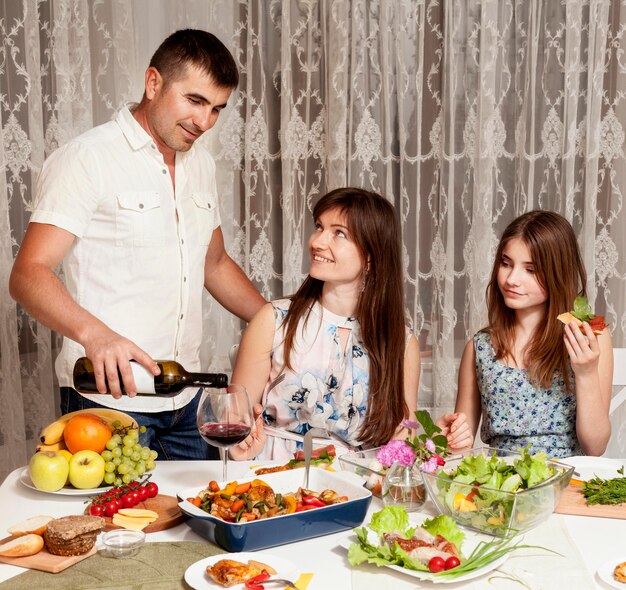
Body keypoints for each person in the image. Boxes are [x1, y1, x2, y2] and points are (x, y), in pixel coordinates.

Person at [9, 30, 266, 460]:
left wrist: (278, 325)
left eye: (217, 109)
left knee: (195, 524)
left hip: (187, 406)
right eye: (195, 101)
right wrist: (96, 335)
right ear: (153, 83)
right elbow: (28, 273)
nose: (204, 123)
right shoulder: (87, 158)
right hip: (107, 404)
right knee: (115, 529)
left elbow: (215, 263)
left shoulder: (200, 163)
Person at [229, 187, 472, 461]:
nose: (318, 242)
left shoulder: (401, 342)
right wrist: (245, 444)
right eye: (319, 227)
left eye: (339, 233)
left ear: (370, 257)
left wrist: (434, 438)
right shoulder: (273, 320)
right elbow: (237, 430)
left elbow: (401, 438)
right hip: (275, 479)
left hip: (356, 483)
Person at [455, 210, 613, 457]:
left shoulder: (590, 338)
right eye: (506, 264)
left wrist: (586, 373)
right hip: (501, 486)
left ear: (557, 274)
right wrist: (450, 438)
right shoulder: (480, 347)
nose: (511, 279)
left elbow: (596, 448)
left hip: (567, 482)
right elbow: (460, 446)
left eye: (531, 269)